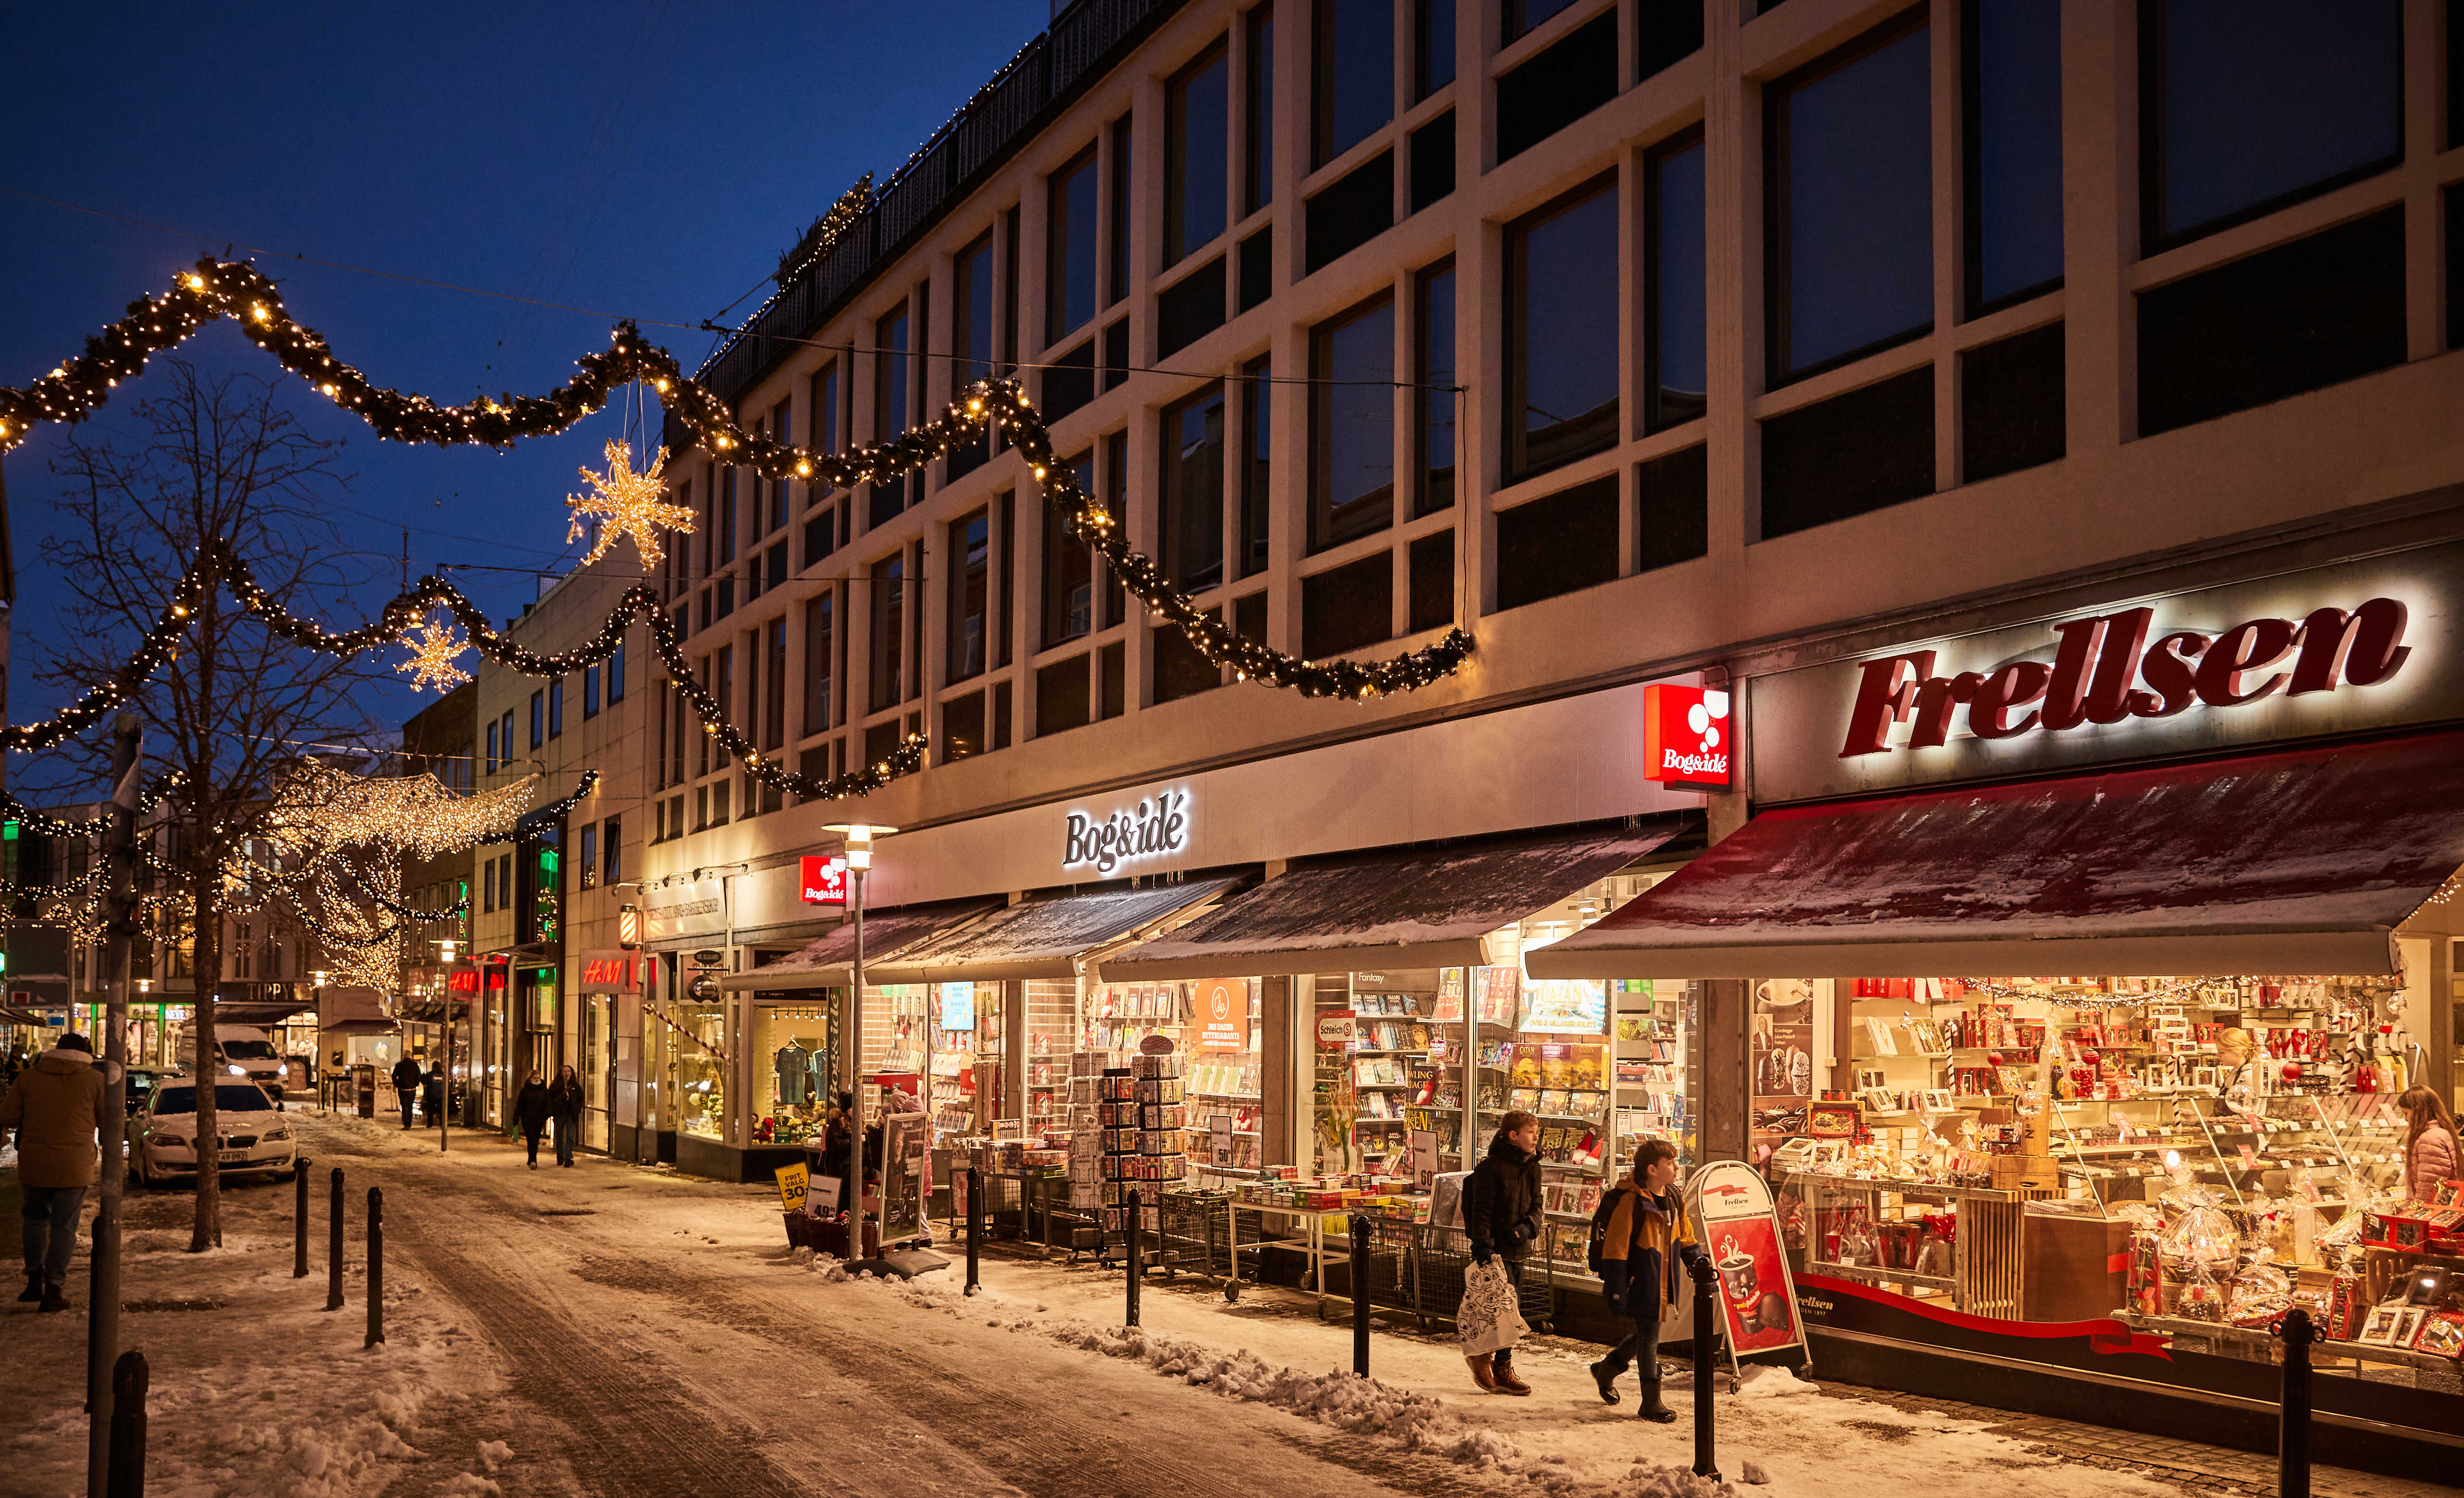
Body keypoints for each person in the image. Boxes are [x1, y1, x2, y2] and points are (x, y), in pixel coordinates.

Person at [1589, 1139, 1713, 1422]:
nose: (1677, 1167)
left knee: (1648, 1332)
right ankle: (1650, 1402)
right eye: (1670, 1163)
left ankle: (1607, 1369)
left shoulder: (1673, 1196)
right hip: (1640, 1278)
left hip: (1662, 1278)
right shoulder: (1632, 1201)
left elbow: (1685, 1236)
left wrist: (1699, 1264)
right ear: (1652, 1169)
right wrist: (1617, 1287)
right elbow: (1617, 1246)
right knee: (1649, 1336)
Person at [0, 1033, 106, 1312]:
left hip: (35, 1161)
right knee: (64, 1227)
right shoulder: (95, 1080)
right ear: (85, 1052)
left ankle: (34, 1280)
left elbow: (8, 1116)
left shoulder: (29, 1078)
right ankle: (54, 1288)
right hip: (75, 1164)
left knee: (35, 1220)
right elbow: (108, 1122)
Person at [1462, 1108, 1545, 1395]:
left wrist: (1527, 1228)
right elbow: (1481, 1212)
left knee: (1512, 1312)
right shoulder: (1491, 1169)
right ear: (1513, 1136)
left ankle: (1503, 1367)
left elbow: (1538, 1206)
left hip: (1519, 1248)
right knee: (1495, 1311)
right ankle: (1482, 1360)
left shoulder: (1533, 1167)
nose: (1535, 1138)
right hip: (1496, 1252)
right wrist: (1483, 1246)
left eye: (1536, 1133)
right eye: (1530, 1133)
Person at [2399, 1086, 2459, 1201]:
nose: (2406, 1119)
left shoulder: (2430, 1139)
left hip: (2432, 1210)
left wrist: (2418, 1211)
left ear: (2418, 1110)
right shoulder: (2438, 1133)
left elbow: (2429, 1189)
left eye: (2406, 1113)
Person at [547, 1065, 584, 1168]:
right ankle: (560, 1157)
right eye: (564, 1071)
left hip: (571, 1114)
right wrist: (553, 1111)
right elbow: (550, 1099)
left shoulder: (576, 1086)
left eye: (568, 1071)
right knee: (559, 1136)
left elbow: (581, 1099)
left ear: (571, 1073)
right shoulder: (555, 1086)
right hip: (559, 1114)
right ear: (561, 1073)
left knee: (570, 1136)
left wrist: (577, 1108)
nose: (566, 1073)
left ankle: (568, 1157)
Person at [514, 1069, 552, 1170]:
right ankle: (532, 1159)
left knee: (536, 1139)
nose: (537, 1080)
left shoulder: (544, 1090)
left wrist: (547, 1115)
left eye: (539, 1078)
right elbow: (520, 1105)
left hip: (539, 1119)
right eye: (535, 1078)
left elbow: (548, 1103)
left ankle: (532, 1159)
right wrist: (516, 1118)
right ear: (531, 1079)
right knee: (531, 1139)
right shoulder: (525, 1091)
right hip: (528, 1119)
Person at [390, 1054, 424, 1129]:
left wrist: (397, 1084)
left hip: (402, 1089)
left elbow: (394, 1076)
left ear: (404, 1057)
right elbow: (419, 1076)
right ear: (410, 1057)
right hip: (412, 1089)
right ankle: (409, 1122)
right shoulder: (415, 1065)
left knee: (404, 1106)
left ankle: (406, 1123)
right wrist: (416, 1084)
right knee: (410, 1106)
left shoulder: (399, 1065)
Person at [421, 1061, 445, 1127]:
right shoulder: (443, 1075)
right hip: (441, 1095)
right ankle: (442, 1123)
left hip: (431, 1095)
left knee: (430, 1110)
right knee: (441, 1111)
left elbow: (425, 1082)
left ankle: (430, 1124)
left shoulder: (430, 1075)